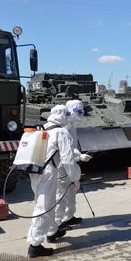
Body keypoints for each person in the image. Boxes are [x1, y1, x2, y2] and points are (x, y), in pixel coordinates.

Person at [26, 105, 81, 258]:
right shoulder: (61, 132)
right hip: (48, 173)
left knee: (43, 203)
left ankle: (52, 232)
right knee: (44, 207)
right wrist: (75, 178)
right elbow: (68, 161)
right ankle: (34, 245)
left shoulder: (41, 128)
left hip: (34, 171)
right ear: (63, 115)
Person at [52, 99, 92, 231]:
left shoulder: (73, 126)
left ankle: (69, 217)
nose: (79, 115)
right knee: (61, 195)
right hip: (62, 166)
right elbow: (66, 150)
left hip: (70, 162)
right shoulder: (63, 127)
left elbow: (72, 146)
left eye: (81, 112)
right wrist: (80, 156)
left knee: (72, 192)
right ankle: (58, 222)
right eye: (77, 112)